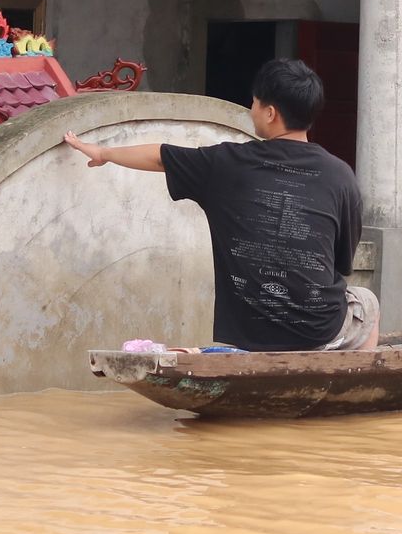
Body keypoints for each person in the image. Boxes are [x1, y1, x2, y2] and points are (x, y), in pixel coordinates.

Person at [61, 58, 378, 352]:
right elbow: (341, 263)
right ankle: (354, 390)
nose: (251, 108)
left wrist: (103, 152)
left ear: (270, 113)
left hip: (249, 336)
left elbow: (160, 155)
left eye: (254, 102)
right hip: (319, 331)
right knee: (366, 302)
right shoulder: (341, 176)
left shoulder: (226, 164)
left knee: (364, 300)